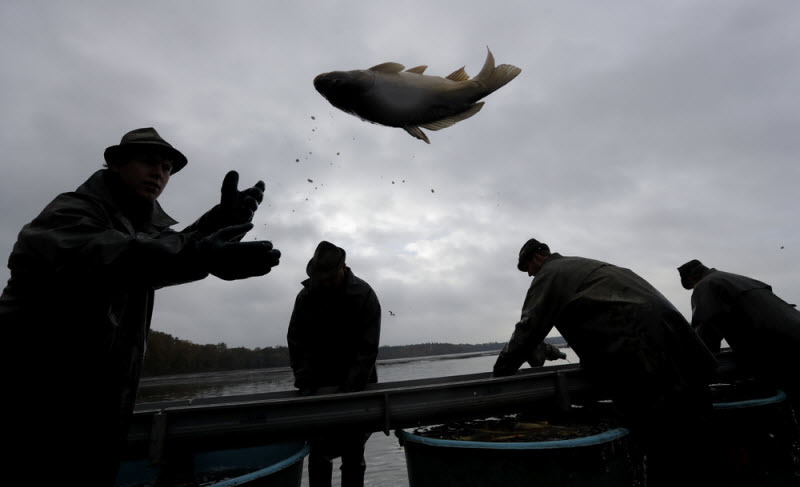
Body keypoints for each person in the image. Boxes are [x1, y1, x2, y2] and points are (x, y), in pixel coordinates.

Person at [1, 127, 281, 485]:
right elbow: (122, 255)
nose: (159, 174)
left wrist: (223, 220)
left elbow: (166, 250)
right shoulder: (70, 213)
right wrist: (201, 253)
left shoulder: (141, 229)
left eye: (166, 168)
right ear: (116, 164)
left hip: (96, 408)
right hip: (30, 398)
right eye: (149, 162)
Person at [493, 238, 717, 486]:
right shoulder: (585, 267)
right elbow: (598, 315)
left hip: (640, 348)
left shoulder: (549, 274)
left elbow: (528, 330)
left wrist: (499, 377)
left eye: (527, 268)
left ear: (536, 257)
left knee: (659, 434)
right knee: (695, 424)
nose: (529, 275)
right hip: (674, 337)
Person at [287, 241, 381, 487]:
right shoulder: (306, 297)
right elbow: (296, 342)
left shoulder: (364, 294)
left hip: (357, 388)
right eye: (321, 278)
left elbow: (368, 349)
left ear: (343, 267)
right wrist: (305, 381)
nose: (325, 283)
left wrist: (349, 391)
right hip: (316, 389)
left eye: (330, 277)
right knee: (318, 454)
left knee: (354, 454)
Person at [678, 259, 800, 404]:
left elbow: (706, 330)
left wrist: (696, 364)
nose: (694, 289)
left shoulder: (705, 285)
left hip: (781, 351)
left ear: (693, 278)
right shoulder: (740, 279)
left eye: (691, 286)